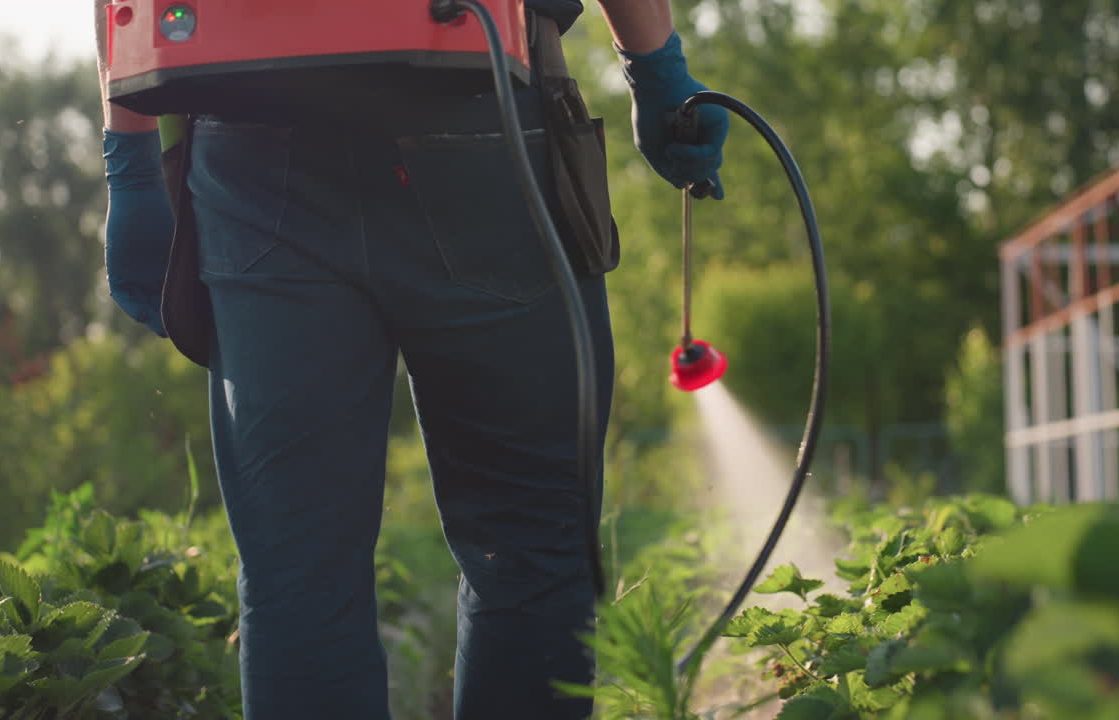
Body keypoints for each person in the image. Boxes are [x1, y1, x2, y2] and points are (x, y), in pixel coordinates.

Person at [96, 1, 728, 718]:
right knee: (529, 550)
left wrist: (131, 162)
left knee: (297, 577)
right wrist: (656, 69)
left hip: (252, 144)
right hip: (480, 116)